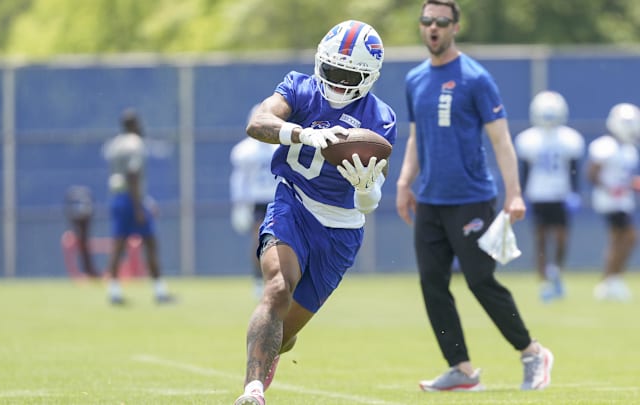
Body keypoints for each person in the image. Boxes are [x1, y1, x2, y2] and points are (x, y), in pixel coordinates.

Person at [233, 20, 396, 405]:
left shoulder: (380, 117)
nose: (337, 83)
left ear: (368, 77)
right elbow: (258, 122)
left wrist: (366, 190)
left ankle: (270, 350)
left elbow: (373, 193)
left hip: (341, 228)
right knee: (276, 289)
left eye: (348, 75)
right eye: (332, 71)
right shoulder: (299, 87)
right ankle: (252, 392)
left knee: (284, 336)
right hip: (293, 202)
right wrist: (301, 133)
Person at [394, 0, 553, 392]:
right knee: (432, 284)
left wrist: (514, 194)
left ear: (455, 27)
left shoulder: (475, 78)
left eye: (442, 22)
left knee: (481, 280)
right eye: (427, 21)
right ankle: (462, 371)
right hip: (430, 199)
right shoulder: (415, 79)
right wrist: (403, 183)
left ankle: (533, 352)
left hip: (471, 198)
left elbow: (501, 140)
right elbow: (416, 137)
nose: (433, 27)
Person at [515, 90, 585, 302]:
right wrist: (521, 194)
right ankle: (543, 279)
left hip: (561, 193)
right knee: (541, 238)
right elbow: (524, 170)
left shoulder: (569, 138)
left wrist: (574, 193)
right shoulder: (528, 139)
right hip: (538, 194)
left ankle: (557, 273)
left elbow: (574, 169)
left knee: (562, 237)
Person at [103, 108, 172, 304]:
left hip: (117, 197)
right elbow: (133, 175)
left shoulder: (114, 144)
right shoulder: (136, 144)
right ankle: (160, 291)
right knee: (150, 243)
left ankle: (114, 291)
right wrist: (139, 206)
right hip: (131, 199)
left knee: (118, 244)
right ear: (135, 124)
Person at [587, 102, 640, 302]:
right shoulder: (604, 146)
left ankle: (611, 280)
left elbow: (624, 177)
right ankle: (611, 280)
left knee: (619, 240)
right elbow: (592, 173)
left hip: (623, 200)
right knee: (629, 237)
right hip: (609, 201)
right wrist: (610, 188)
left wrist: (632, 184)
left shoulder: (628, 149)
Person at [230, 104, 280, 299]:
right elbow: (239, 180)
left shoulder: (280, 145)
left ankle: (281, 278)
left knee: (284, 242)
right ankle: (259, 280)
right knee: (260, 242)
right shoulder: (244, 150)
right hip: (257, 200)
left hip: (280, 197)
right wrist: (239, 205)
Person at [64, 185, 99, 278]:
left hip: (84, 241)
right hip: (81, 241)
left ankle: (89, 272)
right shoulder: (79, 220)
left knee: (85, 257)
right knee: (83, 257)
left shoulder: (84, 220)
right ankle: (88, 272)